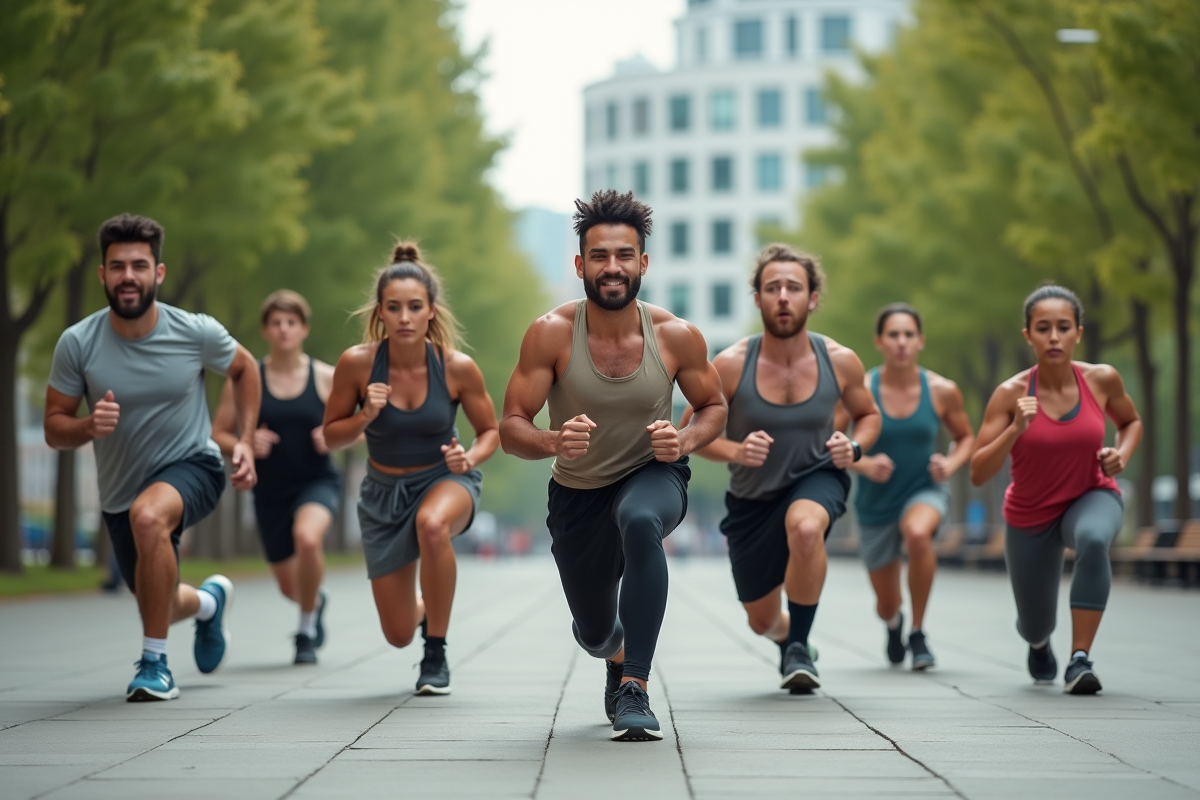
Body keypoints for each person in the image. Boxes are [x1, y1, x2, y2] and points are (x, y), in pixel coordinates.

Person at [501, 190, 727, 742]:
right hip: (577, 493)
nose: (612, 267)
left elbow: (715, 407)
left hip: (652, 473)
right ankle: (614, 654)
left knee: (641, 519)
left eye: (624, 255)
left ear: (643, 263)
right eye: (599, 256)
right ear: (580, 264)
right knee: (596, 632)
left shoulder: (676, 336)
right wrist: (554, 439)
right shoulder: (550, 333)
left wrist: (686, 438)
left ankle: (636, 687)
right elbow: (511, 427)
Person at [44, 213, 260, 701]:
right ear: (102, 274)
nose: (128, 276)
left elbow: (245, 370)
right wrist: (86, 426)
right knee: (154, 598)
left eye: (139, 265)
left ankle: (155, 664)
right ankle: (207, 604)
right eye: (117, 266)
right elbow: (55, 427)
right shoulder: (77, 343)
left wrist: (243, 439)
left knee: (149, 517)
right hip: (120, 488)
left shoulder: (196, 332)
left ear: (157, 274)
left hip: (194, 465)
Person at [684, 244, 879, 693]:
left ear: (812, 298)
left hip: (818, 475)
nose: (784, 297)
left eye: (794, 287)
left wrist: (855, 445)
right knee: (761, 621)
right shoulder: (730, 365)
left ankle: (798, 647)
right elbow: (690, 434)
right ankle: (789, 637)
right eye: (773, 288)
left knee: (807, 528)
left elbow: (868, 416)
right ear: (758, 299)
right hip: (752, 499)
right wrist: (735, 452)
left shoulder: (839, 359)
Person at [323, 241, 498, 696]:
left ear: (431, 313)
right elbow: (330, 436)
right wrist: (363, 416)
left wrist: (470, 458)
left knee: (432, 525)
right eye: (394, 308)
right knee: (397, 632)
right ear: (379, 312)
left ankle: (435, 652)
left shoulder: (457, 368)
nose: (404, 317)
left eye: (414, 307)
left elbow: (490, 432)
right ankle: (425, 614)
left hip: (444, 479)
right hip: (382, 493)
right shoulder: (357, 365)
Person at [971, 285, 1142, 694]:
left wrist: (1123, 454)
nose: (1053, 337)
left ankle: (1080, 659)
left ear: (1077, 333)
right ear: (1027, 335)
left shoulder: (1101, 380)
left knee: (1094, 538)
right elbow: (978, 471)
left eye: (1063, 327)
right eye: (1042, 328)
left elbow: (1131, 422)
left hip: (1091, 495)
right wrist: (1015, 429)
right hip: (1031, 514)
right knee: (1034, 622)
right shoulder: (1010, 394)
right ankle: (1040, 643)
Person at [213, 291, 340, 665]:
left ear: (304, 329)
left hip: (317, 482)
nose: (284, 330)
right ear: (265, 330)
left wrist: (332, 435)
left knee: (308, 537)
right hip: (268, 492)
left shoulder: (327, 377)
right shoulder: (246, 377)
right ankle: (315, 601)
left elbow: (365, 427)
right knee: (290, 587)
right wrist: (245, 442)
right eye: (276, 323)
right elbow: (217, 433)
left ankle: (304, 633)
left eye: (291, 322)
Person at [850, 304, 974, 670]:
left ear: (920, 341)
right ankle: (895, 623)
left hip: (924, 489)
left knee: (918, 534)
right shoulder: (861, 389)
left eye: (908, 335)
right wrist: (866, 463)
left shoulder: (941, 390)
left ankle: (918, 633)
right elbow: (832, 441)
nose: (901, 342)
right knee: (886, 604)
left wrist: (949, 463)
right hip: (875, 502)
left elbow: (966, 437)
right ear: (879, 342)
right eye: (893, 335)